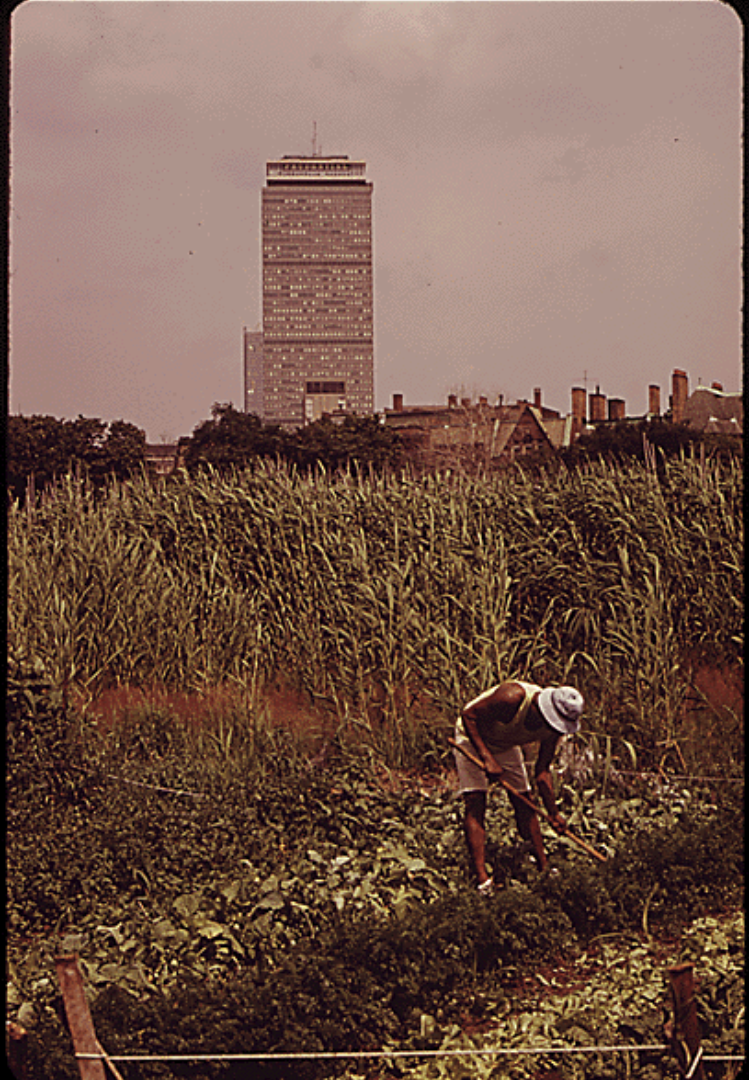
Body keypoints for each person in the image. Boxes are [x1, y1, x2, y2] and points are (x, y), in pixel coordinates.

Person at [453, 680, 584, 892]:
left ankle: (544, 869)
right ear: (543, 710)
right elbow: (468, 715)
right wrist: (487, 758)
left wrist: (554, 813)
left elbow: (542, 772)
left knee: (525, 801)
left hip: (504, 744)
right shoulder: (511, 698)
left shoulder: (553, 730)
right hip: (472, 735)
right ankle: (482, 880)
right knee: (476, 801)